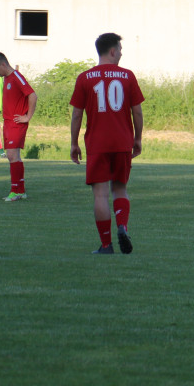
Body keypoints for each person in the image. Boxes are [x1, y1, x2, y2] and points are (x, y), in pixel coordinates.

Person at [70, 32, 145, 254]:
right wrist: (137, 138)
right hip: (122, 142)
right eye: (120, 49)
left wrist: (74, 143)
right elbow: (137, 112)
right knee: (120, 189)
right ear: (112, 51)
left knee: (100, 194)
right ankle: (122, 225)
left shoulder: (85, 78)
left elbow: (77, 115)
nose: (121, 53)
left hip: (97, 143)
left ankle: (106, 245)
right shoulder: (128, 76)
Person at [0, 52, 37, 201]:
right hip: (8, 122)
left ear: (3, 64)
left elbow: (32, 95)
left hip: (16, 123)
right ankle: (20, 190)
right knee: (14, 157)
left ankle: (15, 191)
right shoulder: (7, 78)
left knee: (12, 155)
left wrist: (27, 116)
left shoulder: (17, 77)